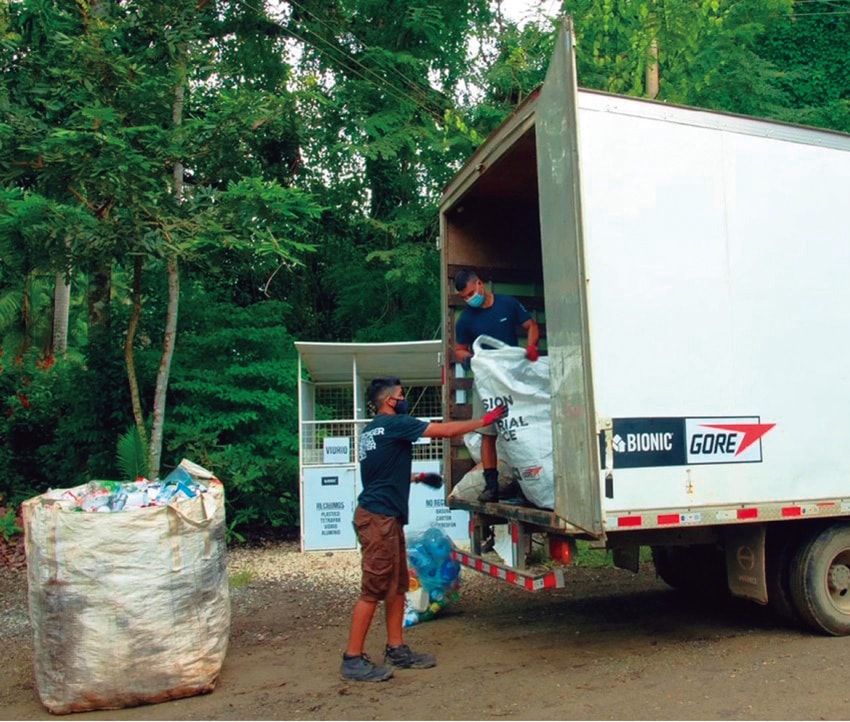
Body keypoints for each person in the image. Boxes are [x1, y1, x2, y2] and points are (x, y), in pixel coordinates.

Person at [341, 376, 507, 683]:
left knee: (396, 586)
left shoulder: (372, 430)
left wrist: (415, 478)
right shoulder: (396, 423)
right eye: (402, 395)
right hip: (378, 519)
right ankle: (352, 659)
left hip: (383, 517)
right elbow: (443, 431)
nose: (404, 399)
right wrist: (484, 420)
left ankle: (397, 648)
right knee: (373, 589)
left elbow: (380, 472)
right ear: (390, 401)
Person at [453, 268, 540, 503]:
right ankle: (491, 486)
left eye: (471, 293)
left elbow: (531, 326)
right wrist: (466, 358)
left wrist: (532, 348)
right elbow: (459, 348)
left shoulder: (507, 304)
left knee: (521, 429)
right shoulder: (466, 319)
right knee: (487, 433)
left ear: (480, 284)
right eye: (464, 297)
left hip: (511, 378)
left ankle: (530, 483)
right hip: (486, 383)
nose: (470, 299)